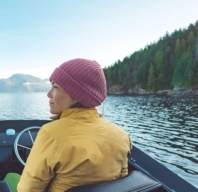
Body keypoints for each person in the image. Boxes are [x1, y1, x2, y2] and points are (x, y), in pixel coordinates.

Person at [17, 58, 132, 192]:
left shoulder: (51, 134)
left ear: (77, 95)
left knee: (6, 177)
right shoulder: (122, 136)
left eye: (55, 87)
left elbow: (28, 190)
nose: (49, 94)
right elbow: (123, 182)